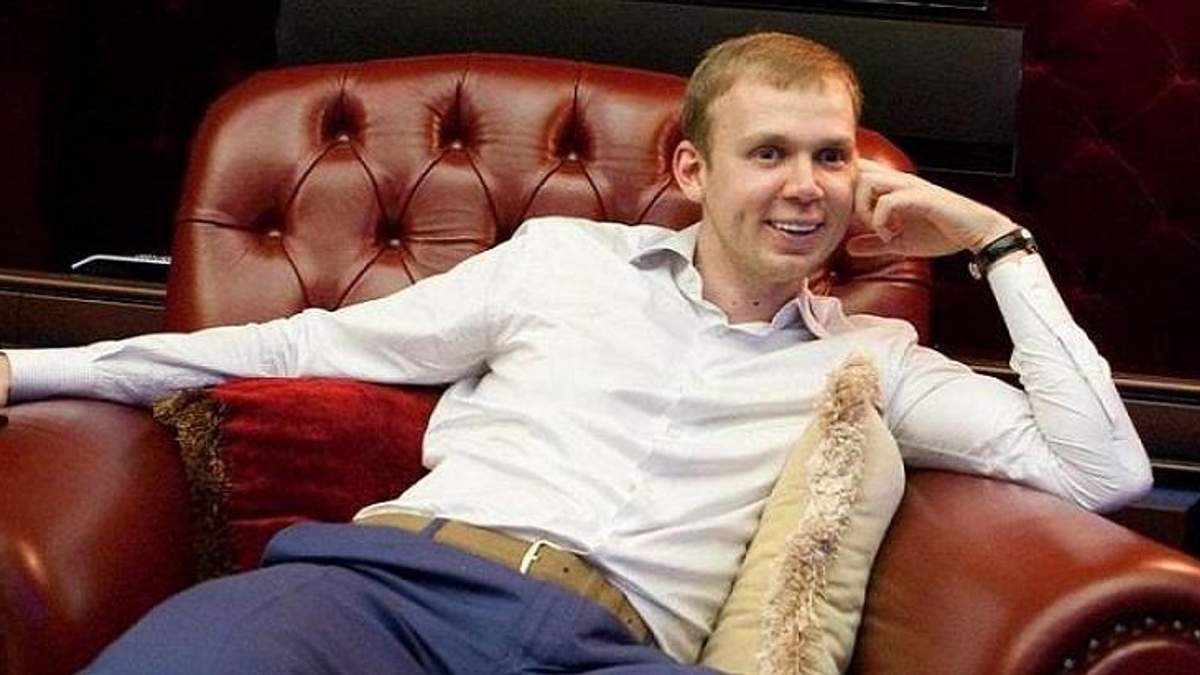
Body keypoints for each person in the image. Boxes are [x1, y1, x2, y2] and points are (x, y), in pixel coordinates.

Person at [0, 32, 1150, 673]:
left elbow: (1103, 470)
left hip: (615, 648)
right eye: (768, 154)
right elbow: (300, 343)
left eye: (831, 157)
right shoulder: (560, 264)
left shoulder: (872, 363)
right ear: (694, 170)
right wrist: (22, 371)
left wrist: (998, 245)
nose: (806, 188)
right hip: (384, 593)